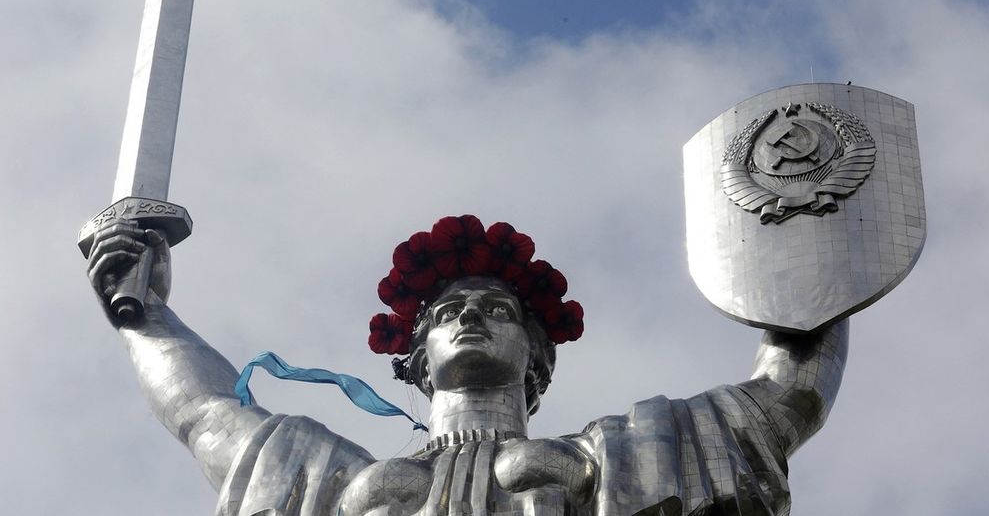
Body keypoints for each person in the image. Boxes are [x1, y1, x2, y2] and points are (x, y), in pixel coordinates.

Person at [87, 214, 847, 516]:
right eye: (447, 313)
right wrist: (149, 315)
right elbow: (206, 412)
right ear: (417, 358)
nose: (469, 316)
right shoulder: (331, 483)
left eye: (497, 309)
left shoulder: (623, 454)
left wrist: (817, 262)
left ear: (536, 354)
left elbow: (786, 396)